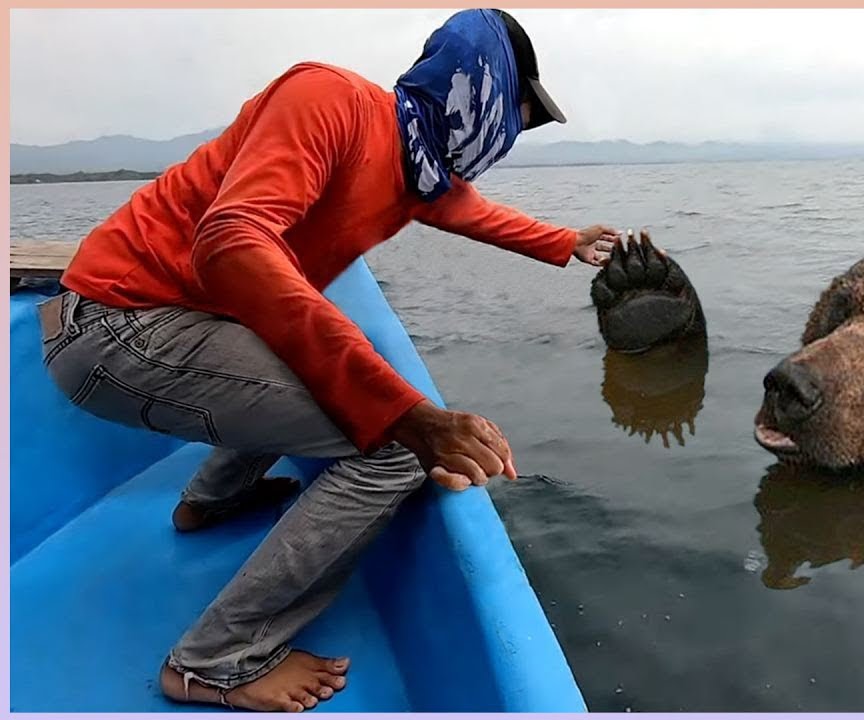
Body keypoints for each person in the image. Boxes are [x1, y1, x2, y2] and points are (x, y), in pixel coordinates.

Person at [39, 8, 618, 712]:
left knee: (331, 358)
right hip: (115, 326)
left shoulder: (416, 167)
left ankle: (210, 502)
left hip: (164, 321)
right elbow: (232, 240)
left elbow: (473, 212)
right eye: (518, 117)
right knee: (395, 446)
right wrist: (408, 416)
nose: (510, 138)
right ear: (481, 91)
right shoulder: (329, 100)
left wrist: (565, 243)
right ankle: (217, 661)